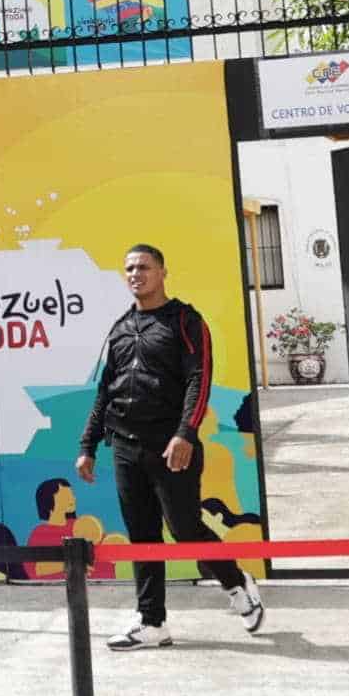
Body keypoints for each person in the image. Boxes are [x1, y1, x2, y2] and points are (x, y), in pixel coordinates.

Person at [73, 244, 258, 647]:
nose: (135, 274)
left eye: (143, 267)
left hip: (171, 446)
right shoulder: (120, 328)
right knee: (143, 536)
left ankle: (236, 581)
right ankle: (152, 622)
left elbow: (199, 379)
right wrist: (88, 445)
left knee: (185, 528)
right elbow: (106, 391)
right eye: (129, 269)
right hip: (125, 447)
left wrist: (185, 433)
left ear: (162, 272)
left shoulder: (185, 321)